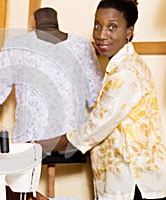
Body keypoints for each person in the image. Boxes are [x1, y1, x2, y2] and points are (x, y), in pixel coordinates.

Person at [38, 0, 166, 199]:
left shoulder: (126, 73)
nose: (101, 35)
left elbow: (93, 129)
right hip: (128, 182)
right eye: (98, 25)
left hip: (133, 184)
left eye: (112, 27)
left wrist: (40, 145)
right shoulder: (123, 65)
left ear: (129, 32)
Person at [0, 7, 103, 152]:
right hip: (52, 140)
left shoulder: (82, 46)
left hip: (57, 141)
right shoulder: (15, 44)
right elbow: (97, 95)